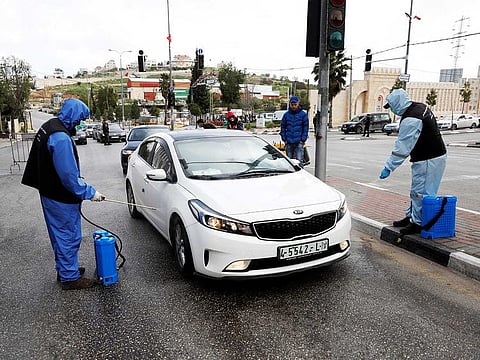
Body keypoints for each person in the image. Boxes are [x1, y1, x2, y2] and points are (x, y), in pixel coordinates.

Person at [22, 98, 106, 290]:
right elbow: (69, 177)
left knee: (60, 235)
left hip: (49, 191)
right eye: (79, 119)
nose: (79, 123)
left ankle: (66, 269)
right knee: (68, 235)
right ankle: (70, 277)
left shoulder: (50, 126)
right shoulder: (60, 138)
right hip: (60, 196)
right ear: (73, 116)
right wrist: (90, 193)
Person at [379, 88, 447, 235]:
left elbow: (402, 148)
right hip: (432, 156)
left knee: (421, 193)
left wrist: (388, 167)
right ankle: (412, 217)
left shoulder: (411, 119)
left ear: (397, 104)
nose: (391, 109)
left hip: (429, 158)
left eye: (391, 106)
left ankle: (418, 223)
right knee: (417, 190)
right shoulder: (419, 107)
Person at [280, 96, 309, 165]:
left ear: (298, 104)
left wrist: (303, 139)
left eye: (295, 104)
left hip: (299, 142)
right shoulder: (286, 115)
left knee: (299, 161)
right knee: (289, 162)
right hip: (289, 142)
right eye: (292, 104)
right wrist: (284, 138)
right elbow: (283, 127)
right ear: (290, 104)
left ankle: (300, 175)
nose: (293, 106)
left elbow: (306, 127)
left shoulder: (303, 115)